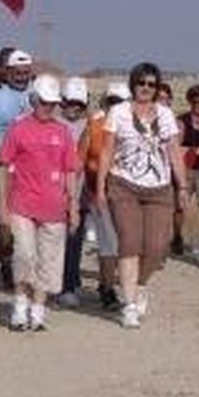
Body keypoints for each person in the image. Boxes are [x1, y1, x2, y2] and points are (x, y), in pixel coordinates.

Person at [95, 62, 186, 329]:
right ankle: (130, 305)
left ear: (157, 88)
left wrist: (182, 186)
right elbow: (107, 151)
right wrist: (100, 188)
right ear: (133, 84)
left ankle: (140, 284)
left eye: (151, 84)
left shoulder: (166, 115)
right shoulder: (118, 112)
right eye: (141, 83)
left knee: (157, 247)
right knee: (129, 241)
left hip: (159, 187)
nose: (145, 88)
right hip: (123, 183)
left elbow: (174, 151)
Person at [0, 74, 82, 331]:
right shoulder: (18, 128)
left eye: (53, 103)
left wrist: (73, 206)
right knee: (24, 255)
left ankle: (38, 308)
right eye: (44, 102)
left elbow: (70, 170)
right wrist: (2, 205)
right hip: (22, 204)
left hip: (54, 207)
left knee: (48, 261)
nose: (49, 107)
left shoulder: (63, 132)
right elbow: (3, 166)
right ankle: (20, 304)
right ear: (34, 100)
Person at [76, 82, 127, 309]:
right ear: (105, 102)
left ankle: (110, 286)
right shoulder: (94, 126)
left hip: (127, 194)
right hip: (100, 193)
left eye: (120, 102)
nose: (115, 107)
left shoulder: (133, 127)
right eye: (112, 101)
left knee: (121, 243)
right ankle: (107, 289)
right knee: (110, 243)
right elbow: (79, 160)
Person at [57, 77, 91, 306]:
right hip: (54, 192)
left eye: (79, 104)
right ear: (62, 101)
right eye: (71, 103)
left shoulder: (89, 126)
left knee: (74, 240)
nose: (75, 108)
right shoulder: (53, 124)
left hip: (80, 193)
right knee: (54, 241)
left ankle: (69, 284)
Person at [174, 84, 199, 254]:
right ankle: (177, 237)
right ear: (190, 102)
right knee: (180, 207)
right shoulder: (182, 121)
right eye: (196, 102)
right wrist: (194, 150)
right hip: (186, 170)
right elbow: (176, 146)